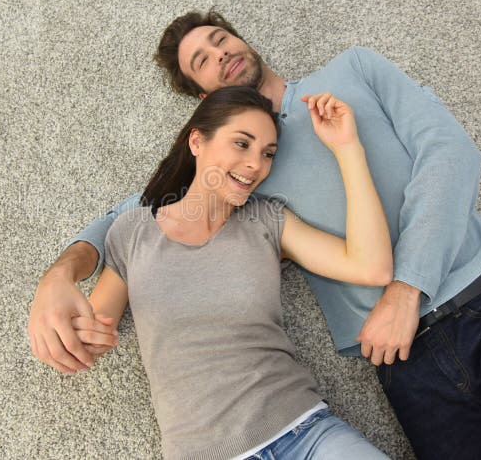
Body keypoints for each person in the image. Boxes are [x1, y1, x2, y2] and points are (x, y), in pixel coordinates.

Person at [28, 10, 481, 460]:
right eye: (202, 63)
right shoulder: (237, 173)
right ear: (204, 102)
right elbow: (129, 217)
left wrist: (406, 288)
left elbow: (450, 154)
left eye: (219, 39)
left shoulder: (354, 70)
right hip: (405, 359)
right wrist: (59, 277)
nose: (220, 54)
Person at [67, 86, 391, 459]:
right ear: (197, 142)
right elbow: (87, 337)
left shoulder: (267, 221)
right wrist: (60, 294)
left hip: (307, 433)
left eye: (267, 154)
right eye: (242, 144)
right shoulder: (133, 232)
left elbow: (373, 266)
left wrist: (348, 148)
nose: (256, 164)